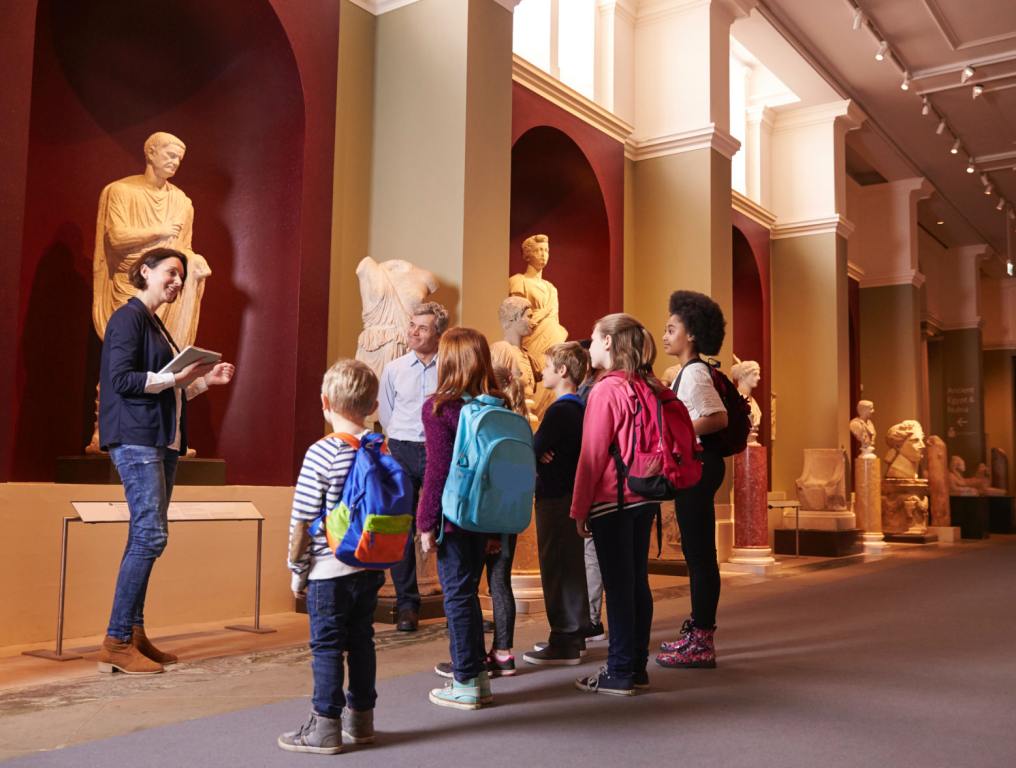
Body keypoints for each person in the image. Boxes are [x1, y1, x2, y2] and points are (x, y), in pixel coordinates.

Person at [95, 247, 234, 675]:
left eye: (181, 275)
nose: (177, 281)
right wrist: (178, 377)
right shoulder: (128, 317)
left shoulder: (156, 324)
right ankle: (117, 640)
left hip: (160, 440)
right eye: (171, 272)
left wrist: (202, 381)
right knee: (150, 536)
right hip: (137, 440)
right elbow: (120, 380)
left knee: (145, 535)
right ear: (145, 271)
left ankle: (133, 633)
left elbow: (168, 388)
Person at [278, 360, 385, 754]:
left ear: (325, 402)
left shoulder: (321, 452)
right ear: (373, 406)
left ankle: (325, 727)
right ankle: (362, 720)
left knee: (326, 646)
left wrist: (296, 570)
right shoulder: (379, 447)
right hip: (369, 565)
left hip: (329, 569)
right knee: (361, 641)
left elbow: (303, 518)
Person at [570, 314, 663, 696]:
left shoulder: (605, 390)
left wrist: (578, 510)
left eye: (592, 338)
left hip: (612, 499)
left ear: (608, 342)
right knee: (637, 582)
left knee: (618, 588)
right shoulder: (646, 385)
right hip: (645, 496)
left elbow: (591, 455)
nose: (589, 346)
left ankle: (620, 670)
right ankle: (636, 665)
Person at [419, 328, 505, 710]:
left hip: (455, 516)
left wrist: (425, 522)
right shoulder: (497, 406)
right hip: (489, 514)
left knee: (456, 595)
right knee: (469, 591)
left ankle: (466, 680)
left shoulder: (440, 407)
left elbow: (437, 470)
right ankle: (479, 678)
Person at [432, 365, 523, 680]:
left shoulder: (471, 417)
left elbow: (448, 470)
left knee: (468, 590)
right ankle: (501, 652)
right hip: (505, 516)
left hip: (475, 516)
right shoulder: (509, 419)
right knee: (498, 585)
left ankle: (476, 664)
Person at [656, 290, 728, 670]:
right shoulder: (690, 372)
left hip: (699, 468)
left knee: (700, 557)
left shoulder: (696, 372)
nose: (665, 335)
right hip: (699, 467)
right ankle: (698, 632)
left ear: (692, 336)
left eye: (671, 329)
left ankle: (702, 641)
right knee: (697, 555)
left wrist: (676, 432)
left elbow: (717, 418)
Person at [377, 301, 449, 631]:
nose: (413, 332)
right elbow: (387, 412)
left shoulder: (449, 367)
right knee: (402, 525)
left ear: (438, 332)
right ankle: (408, 605)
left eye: (422, 327)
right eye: (412, 325)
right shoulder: (394, 369)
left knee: (447, 523)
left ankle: (455, 600)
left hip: (439, 449)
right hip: (402, 448)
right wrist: (398, 440)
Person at [523, 342, 592, 666]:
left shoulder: (560, 410)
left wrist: (538, 452)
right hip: (571, 494)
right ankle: (573, 634)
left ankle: (563, 638)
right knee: (571, 567)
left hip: (554, 497)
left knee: (556, 568)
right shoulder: (579, 408)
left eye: (548, 366)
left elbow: (532, 449)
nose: (542, 372)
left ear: (563, 371)